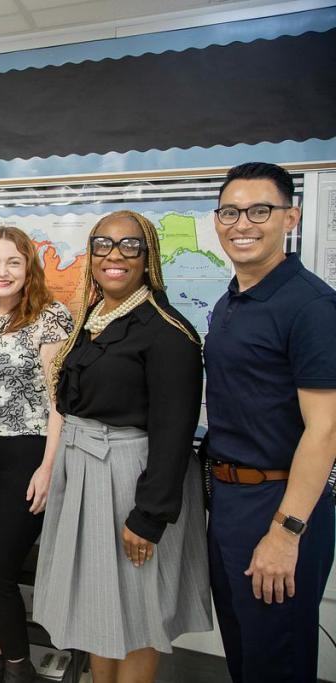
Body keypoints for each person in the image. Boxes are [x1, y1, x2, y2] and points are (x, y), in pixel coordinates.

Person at [33, 210, 213, 683]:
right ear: (91, 254)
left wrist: (149, 516)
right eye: (103, 245)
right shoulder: (93, 318)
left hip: (131, 481)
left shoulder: (168, 332)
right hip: (85, 472)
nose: (114, 255)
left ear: (148, 256)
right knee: (97, 607)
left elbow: (175, 431)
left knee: (136, 613)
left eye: (129, 245)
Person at [203, 162, 336, 683]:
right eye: (230, 212)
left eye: (260, 211)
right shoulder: (230, 300)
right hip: (229, 499)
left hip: (278, 505)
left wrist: (285, 532)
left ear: (290, 218)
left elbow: (325, 430)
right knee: (245, 654)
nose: (242, 224)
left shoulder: (311, 305)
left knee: (276, 662)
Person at [0, 227, 73, 683]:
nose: (2, 271)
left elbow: (60, 402)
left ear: (29, 267)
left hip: (26, 453)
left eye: (13, 262)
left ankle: (18, 669)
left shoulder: (50, 318)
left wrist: (48, 468)